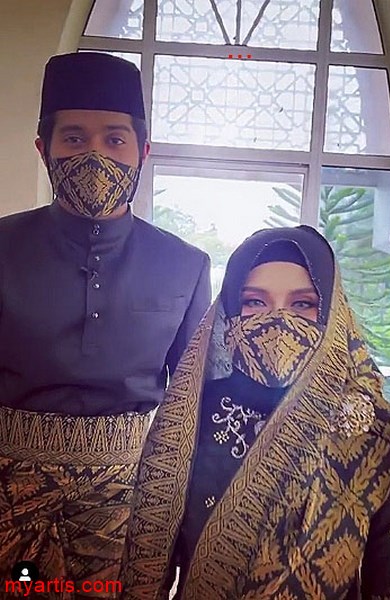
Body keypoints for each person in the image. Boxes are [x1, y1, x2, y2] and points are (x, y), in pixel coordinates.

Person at [0, 52, 210, 593]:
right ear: (43, 149)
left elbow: (191, 408)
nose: (95, 155)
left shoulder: (185, 265)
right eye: (74, 138)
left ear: (143, 151)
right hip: (7, 498)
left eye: (115, 139)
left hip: (130, 509)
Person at [119, 225, 390, 600]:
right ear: (229, 313)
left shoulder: (370, 433)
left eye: (303, 304)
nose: (279, 322)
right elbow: (147, 559)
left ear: (331, 315)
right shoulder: (189, 418)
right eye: (255, 302)